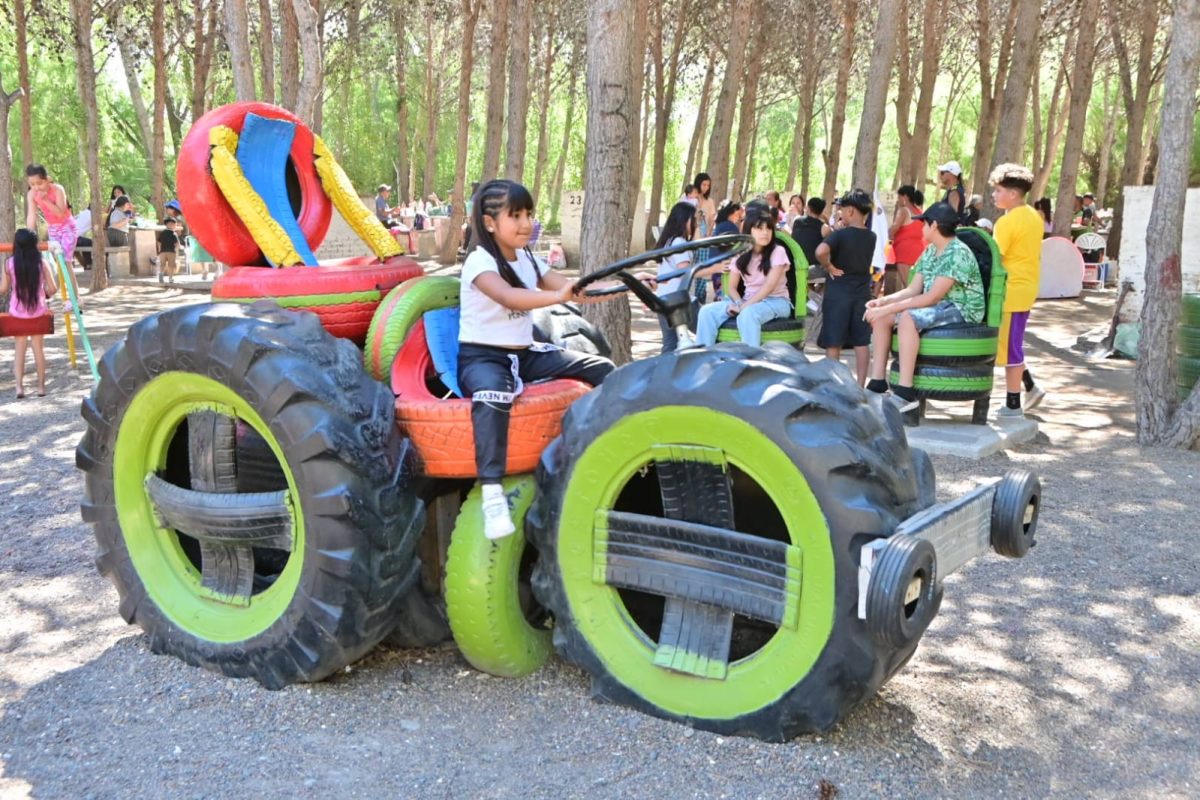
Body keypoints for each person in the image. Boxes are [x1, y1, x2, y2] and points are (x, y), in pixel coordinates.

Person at [459, 179, 636, 539]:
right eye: (516, 215)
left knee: (601, 368)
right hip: (484, 357)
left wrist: (631, 282)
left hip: (525, 354)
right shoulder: (479, 262)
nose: (526, 224)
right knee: (493, 395)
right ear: (490, 222)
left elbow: (575, 288)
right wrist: (560, 296)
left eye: (529, 214)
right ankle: (492, 490)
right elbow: (510, 297)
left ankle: (607, 442)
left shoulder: (526, 257)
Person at [863, 202, 986, 420]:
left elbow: (932, 297)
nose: (920, 228)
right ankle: (877, 382)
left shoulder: (957, 253)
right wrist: (881, 303)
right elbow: (912, 289)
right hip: (939, 305)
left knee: (909, 317)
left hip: (961, 307)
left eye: (924, 224)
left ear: (935, 225)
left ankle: (904, 393)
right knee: (884, 318)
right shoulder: (930, 251)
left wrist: (889, 307)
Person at [989, 163, 1046, 418]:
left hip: (1010, 291)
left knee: (1011, 349)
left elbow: (996, 257)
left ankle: (1013, 404)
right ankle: (1030, 387)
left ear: (1013, 193)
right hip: (1025, 288)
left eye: (998, 190)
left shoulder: (1007, 221)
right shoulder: (1034, 216)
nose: (994, 195)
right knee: (1011, 344)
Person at [696, 209, 792, 348]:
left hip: (776, 301)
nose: (765, 233)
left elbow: (768, 287)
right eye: (759, 228)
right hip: (747, 300)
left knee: (748, 314)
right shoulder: (741, 253)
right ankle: (704, 359)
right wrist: (738, 302)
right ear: (749, 230)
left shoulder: (778, 251)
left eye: (768, 229)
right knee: (706, 312)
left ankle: (750, 363)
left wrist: (744, 307)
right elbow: (731, 287)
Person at [816, 190, 876, 385]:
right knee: (861, 340)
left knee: (834, 339)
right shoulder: (871, 236)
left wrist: (829, 266)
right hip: (862, 291)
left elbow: (821, 250)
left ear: (850, 210)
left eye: (841, 210)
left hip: (838, 291)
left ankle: (832, 382)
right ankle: (860, 385)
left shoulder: (841, 235)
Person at [1, 229, 57, 398]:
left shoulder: (9, 264)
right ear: (35, 245)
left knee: (19, 351)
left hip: (17, 313)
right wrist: (44, 294)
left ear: (16, 244)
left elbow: (3, 289)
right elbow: (53, 288)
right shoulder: (42, 263)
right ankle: (41, 388)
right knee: (38, 350)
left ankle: (19, 387)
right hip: (38, 312)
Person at [653, 202, 700, 354]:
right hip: (679, 302)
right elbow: (686, 271)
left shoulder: (668, 242)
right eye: (693, 219)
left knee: (670, 344)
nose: (696, 223)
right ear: (685, 220)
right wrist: (715, 268)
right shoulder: (679, 242)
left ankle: (662, 375)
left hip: (664, 300)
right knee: (709, 327)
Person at [890, 186, 925, 291]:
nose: (898, 199)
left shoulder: (903, 211)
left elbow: (894, 228)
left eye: (899, 197)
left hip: (904, 250)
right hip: (919, 250)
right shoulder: (920, 212)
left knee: (908, 287)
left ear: (904, 197)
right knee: (916, 285)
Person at [791, 197, 826, 267]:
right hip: (813, 267)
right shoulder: (824, 228)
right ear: (822, 211)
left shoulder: (797, 221)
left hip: (794, 262)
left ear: (808, 208)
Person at [157, 218, 181, 284]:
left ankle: (161, 276)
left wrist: (159, 249)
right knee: (171, 265)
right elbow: (177, 244)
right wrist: (179, 248)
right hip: (171, 251)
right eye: (173, 224)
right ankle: (170, 278)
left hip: (162, 251)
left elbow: (159, 242)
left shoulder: (162, 233)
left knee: (162, 264)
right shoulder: (174, 234)